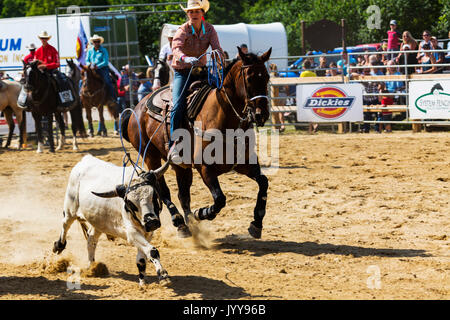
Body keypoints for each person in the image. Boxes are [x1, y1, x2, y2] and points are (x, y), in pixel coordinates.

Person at [169, 0, 224, 162]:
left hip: (200, 70)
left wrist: (219, 59)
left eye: (196, 11)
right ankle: (173, 143)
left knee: (220, 95)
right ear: (187, 14)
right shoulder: (183, 30)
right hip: (183, 71)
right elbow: (176, 49)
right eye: (191, 12)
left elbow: (216, 48)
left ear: (202, 13)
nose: (193, 14)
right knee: (178, 104)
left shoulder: (210, 29)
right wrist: (186, 58)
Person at [85, 34, 116, 100]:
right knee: (83, 80)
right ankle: (81, 97)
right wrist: (89, 65)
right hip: (91, 69)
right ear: (92, 42)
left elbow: (105, 62)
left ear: (100, 42)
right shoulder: (90, 51)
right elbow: (87, 60)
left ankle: (112, 98)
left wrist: (97, 66)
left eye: (98, 41)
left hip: (102, 69)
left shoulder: (104, 50)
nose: (96, 43)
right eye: (95, 41)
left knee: (107, 81)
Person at [300, 60, 319, 134]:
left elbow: (300, 83)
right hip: (312, 93)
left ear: (304, 67)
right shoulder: (313, 74)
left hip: (305, 93)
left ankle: (313, 125)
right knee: (311, 110)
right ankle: (312, 128)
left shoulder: (303, 74)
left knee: (307, 111)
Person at [269, 63, 286, 132]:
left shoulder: (270, 76)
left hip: (276, 94)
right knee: (281, 111)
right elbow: (286, 86)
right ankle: (282, 125)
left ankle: (277, 126)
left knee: (275, 111)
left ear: (270, 69)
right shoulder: (281, 75)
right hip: (283, 94)